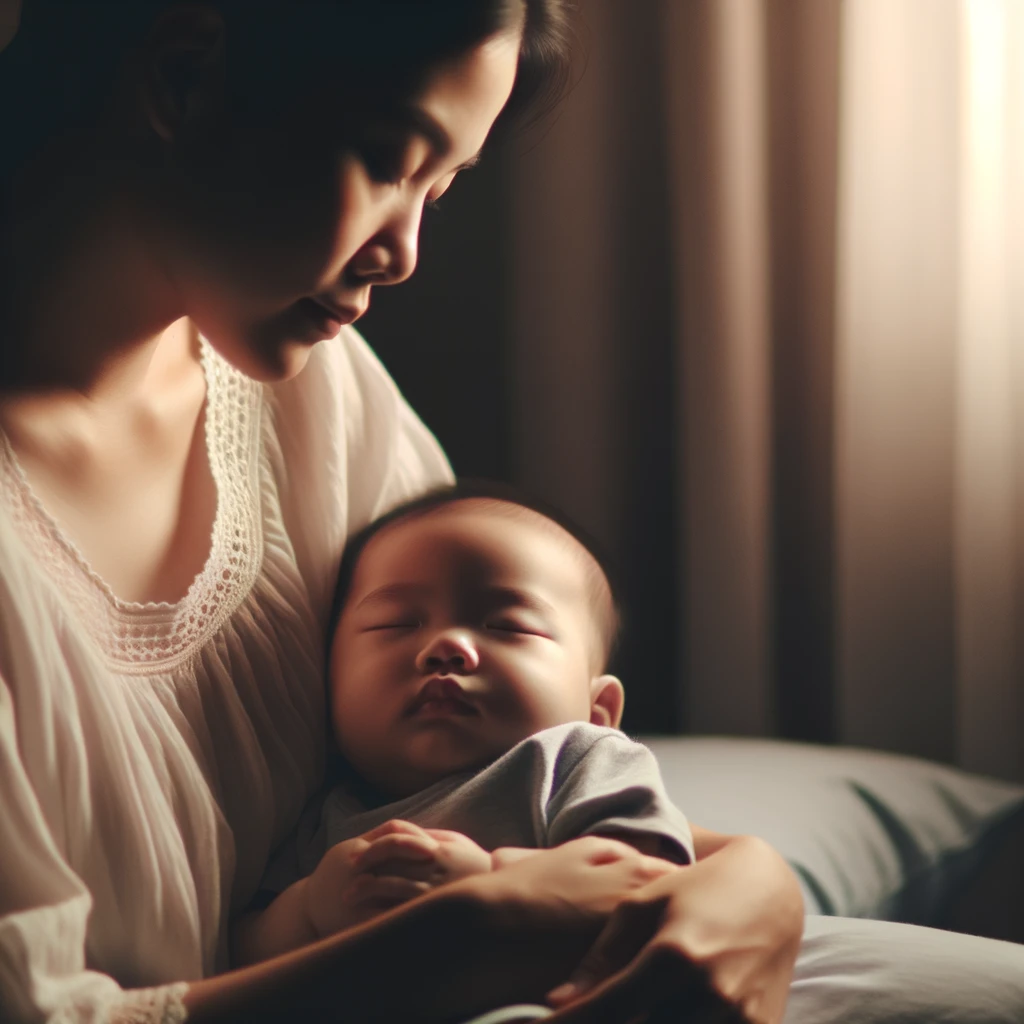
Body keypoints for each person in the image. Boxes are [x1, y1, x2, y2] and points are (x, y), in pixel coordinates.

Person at [2, 3, 1021, 1024]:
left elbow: (498, 764)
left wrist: (749, 876)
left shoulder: (313, 393)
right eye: (387, 159)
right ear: (181, 80)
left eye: (438, 193)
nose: (401, 253)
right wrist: (457, 939)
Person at [233, 484, 696, 964]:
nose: (446, 645)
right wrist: (308, 909)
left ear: (597, 710)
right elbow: (242, 950)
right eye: (394, 623)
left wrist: (490, 881)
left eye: (509, 626)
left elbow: (650, 884)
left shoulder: (577, 762)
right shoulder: (323, 816)